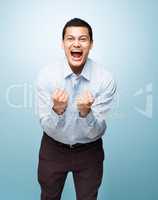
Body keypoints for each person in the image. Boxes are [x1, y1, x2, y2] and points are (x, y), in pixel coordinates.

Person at [36, 18, 117, 200]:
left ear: (91, 44)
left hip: (89, 151)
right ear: (63, 43)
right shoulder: (47, 75)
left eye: (83, 39)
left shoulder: (105, 78)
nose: (76, 44)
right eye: (70, 38)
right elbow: (45, 125)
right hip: (53, 149)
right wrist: (57, 110)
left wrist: (85, 113)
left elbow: (99, 129)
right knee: (48, 197)